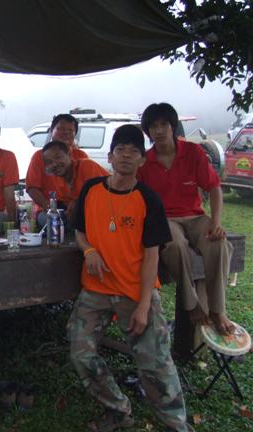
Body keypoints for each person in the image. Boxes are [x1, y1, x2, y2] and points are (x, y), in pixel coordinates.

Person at [69, 124, 191, 432]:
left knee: (156, 364)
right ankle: (119, 410)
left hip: (135, 292)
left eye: (133, 151)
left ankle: (176, 425)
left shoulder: (148, 199)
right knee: (81, 353)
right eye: (120, 150)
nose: (126, 156)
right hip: (96, 290)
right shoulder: (91, 189)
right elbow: (80, 231)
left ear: (142, 160)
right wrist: (89, 251)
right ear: (110, 157)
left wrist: (144, 305)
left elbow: (152, 256)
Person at [137, 103, 234, 335]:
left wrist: (216, 223)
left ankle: (218, 310)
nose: (159, 130)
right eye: (153, 126)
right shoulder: (145, 162)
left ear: (173, 126)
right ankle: (191, 305)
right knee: (176, 246)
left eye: (164, 124)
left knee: (218, 244)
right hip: (165, 219)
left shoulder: (193, 152)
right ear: (148, 131)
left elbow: (214, 187)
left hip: (195, 216)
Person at [29, 140, 108, 230]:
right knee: (51, 220)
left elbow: (100, 199)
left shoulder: (87, 166)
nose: (54, 164)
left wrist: (76, 206)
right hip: (85, 217)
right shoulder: (58, 179)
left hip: (108, 212)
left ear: (69, 155)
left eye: (58, 157)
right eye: (49, 162)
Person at [26, 113, 88, 225]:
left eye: (70, 130)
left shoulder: (81, 156)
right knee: (53, 221)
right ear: (51, 130)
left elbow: (88, 188)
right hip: (47, 209)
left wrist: (76, 206)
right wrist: (51, 208)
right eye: (61, 129)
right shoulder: (39, 156)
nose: (66, 133)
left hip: (75, 207)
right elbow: (32, 188)